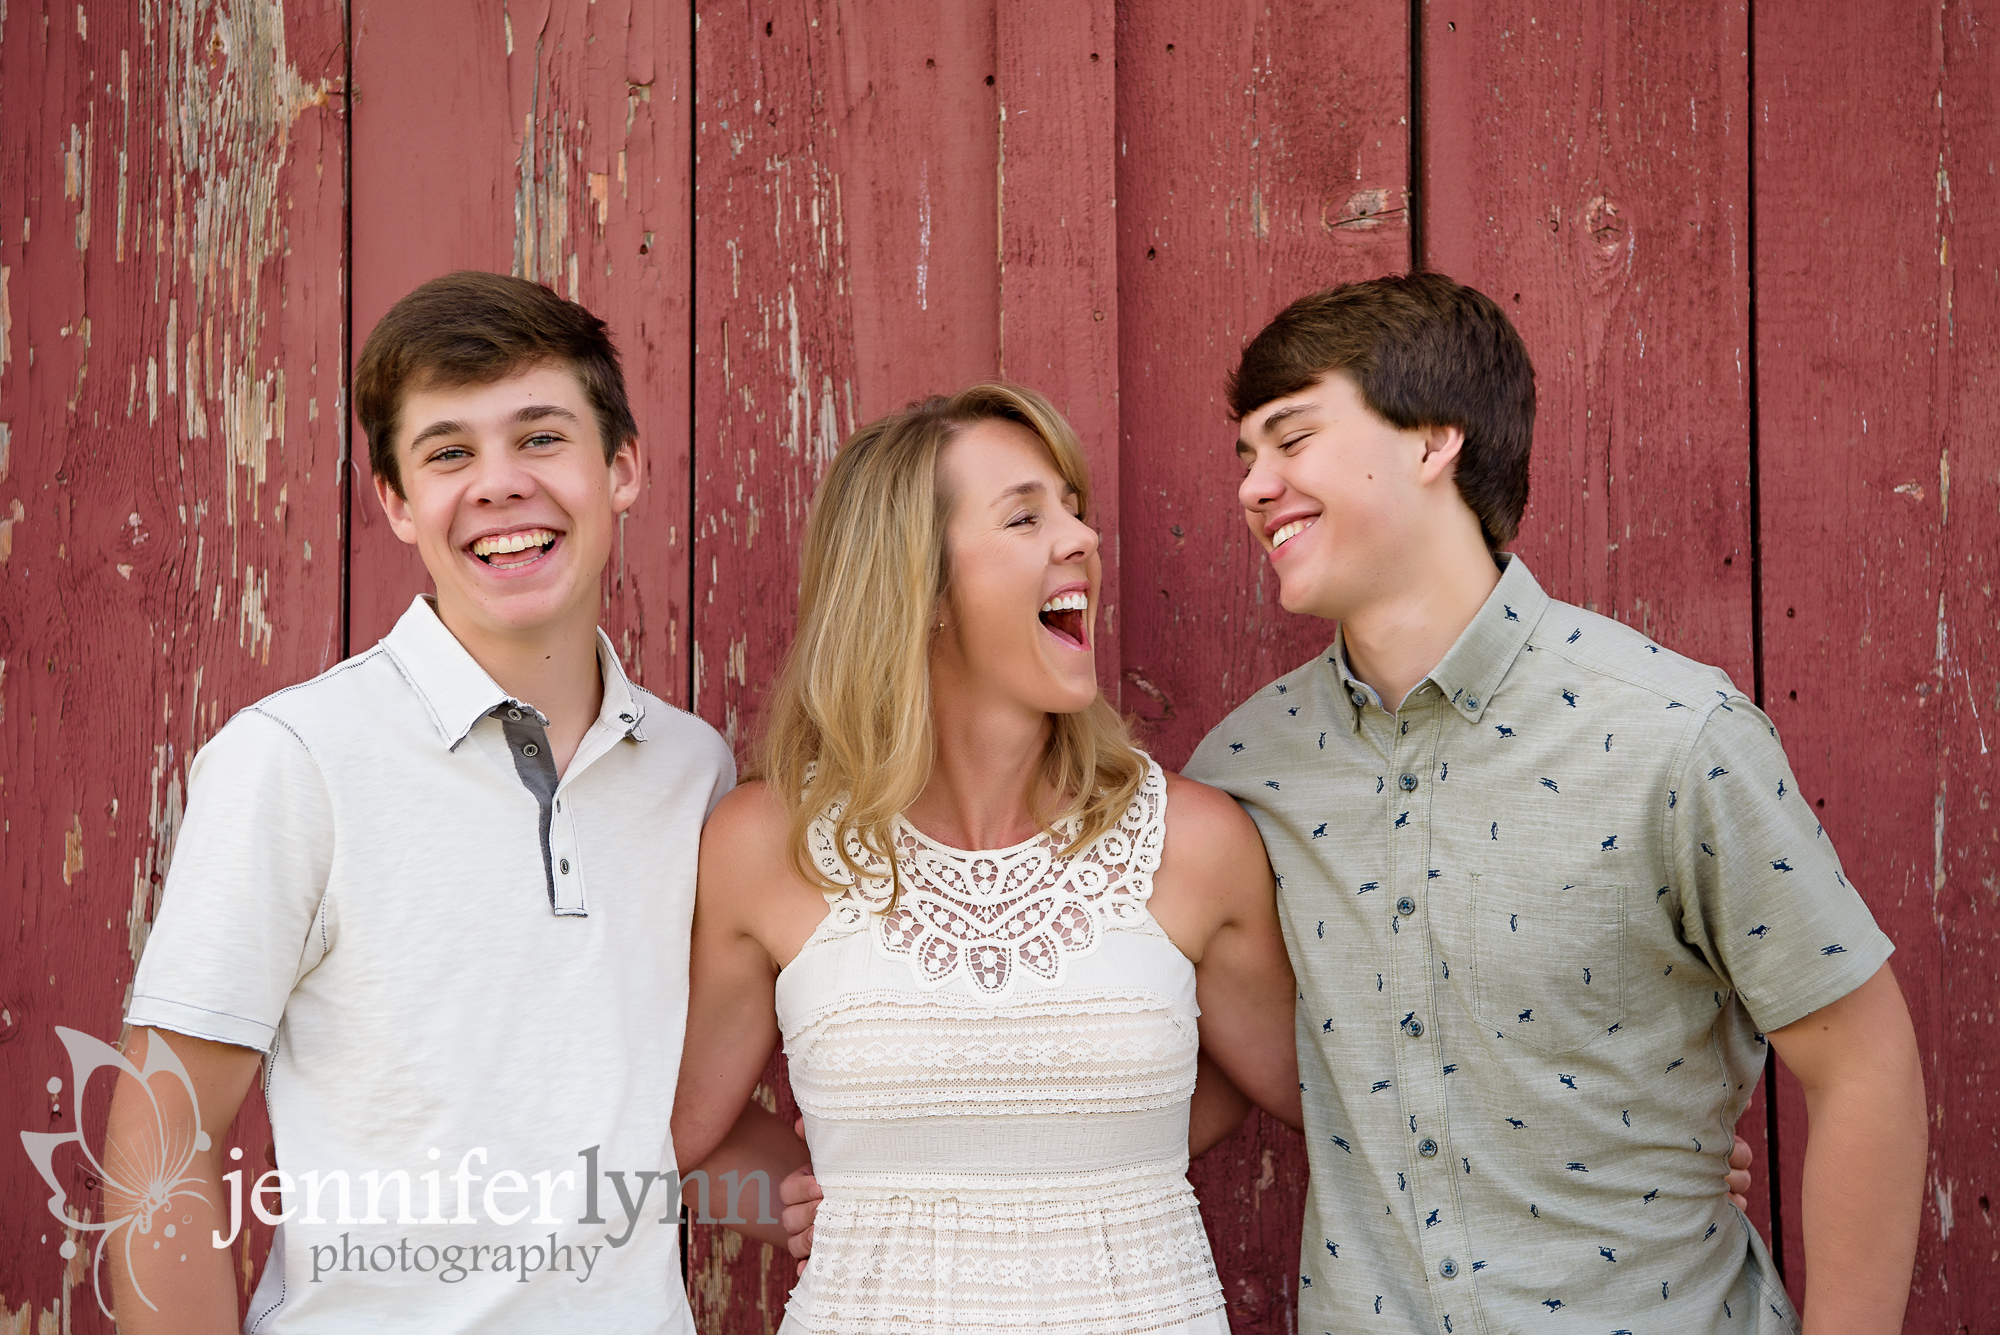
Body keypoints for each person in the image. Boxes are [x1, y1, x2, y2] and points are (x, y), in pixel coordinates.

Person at [1179, 273, 1927, 1331]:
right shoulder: (1242, 772)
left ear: (1433, 442)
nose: (1254, 486)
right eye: (1244, 456)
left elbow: (1862, 1066)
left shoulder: (1671, 734)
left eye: (1290, 439)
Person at [105, 272, 756, 1332]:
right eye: (450, 453)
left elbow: (649, 1113)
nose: (497, 484)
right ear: (398, 504)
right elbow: (160, 1138)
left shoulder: (691, 772)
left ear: (622, 468)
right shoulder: (296, 759)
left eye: (540, 437)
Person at [669, 384, 1302, 1335]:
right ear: (917, 587)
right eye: (1025, 515)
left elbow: (1326, 1089)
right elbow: (666, 1130)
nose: (1083, 536)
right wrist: (792, 1199)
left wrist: (1091, 1143)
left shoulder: (1196, 843)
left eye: (1072, 507)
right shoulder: (768, 845)